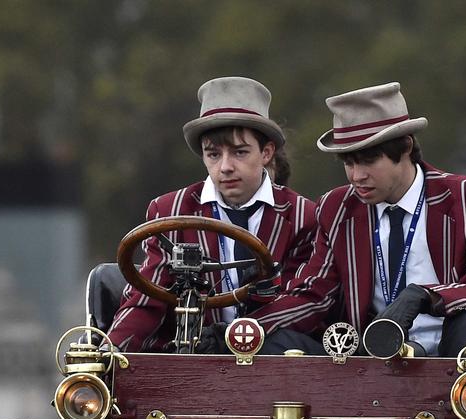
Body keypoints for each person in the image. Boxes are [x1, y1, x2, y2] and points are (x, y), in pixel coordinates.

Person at [258, 82, 466, 408]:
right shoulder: (336, 208)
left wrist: (427, 297)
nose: (356, 175)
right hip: (371, 358)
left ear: (405, 147)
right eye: (348, 162)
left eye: (368, 160)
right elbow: (313, 296)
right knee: (277, 343)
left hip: (457, 355)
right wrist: (246, 329)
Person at [107, 76, 316, 353]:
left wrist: (233, 337)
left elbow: (303, 304)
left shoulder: (304, 215)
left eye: (240, 152)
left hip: (274, 369)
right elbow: (147, 300)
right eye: (213, 155)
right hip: (191, 364)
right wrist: (109, 354)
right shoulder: (170, 212)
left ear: (266, 153)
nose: (225, 167)